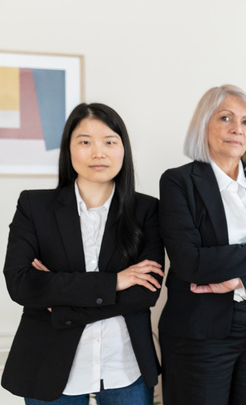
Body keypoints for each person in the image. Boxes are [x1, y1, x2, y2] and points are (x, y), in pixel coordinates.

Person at [2, 103, 164, 404]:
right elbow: (21, 283)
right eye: (85, 141)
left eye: (109, 142)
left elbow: (145, 293)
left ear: (123, 149)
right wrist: (114, 281)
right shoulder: (34, 206)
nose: (98, 152)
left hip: (124, 366)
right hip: (48, 364)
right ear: (69, 149)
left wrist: (61, 304)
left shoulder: (147, 210)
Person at [158, 84, 246, 405]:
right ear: (204, 125)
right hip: (201, 333)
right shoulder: (179, 182)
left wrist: (243, 279)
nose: (237, 129)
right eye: (225, 118)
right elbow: (191, 263)